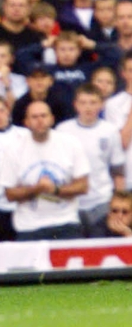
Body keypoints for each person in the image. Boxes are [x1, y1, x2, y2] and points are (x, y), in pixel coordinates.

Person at [0, 101, 89, 240]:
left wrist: (55, 190)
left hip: (66, 222)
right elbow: (9, 194)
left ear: (52, 119)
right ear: (26, 122)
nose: (40, 120)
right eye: (34, 117)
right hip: (29, 226)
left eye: (43, 116)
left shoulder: (71, 143)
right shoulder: (13, 149)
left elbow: (83, 186)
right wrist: (37, 189)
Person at [56, 83, 125, 237]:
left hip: (102, 201)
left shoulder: (110, 131)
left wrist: (119, 203)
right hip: (71, 203)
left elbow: (118, 169)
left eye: (93, 102)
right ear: (76, 105)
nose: (88, 107)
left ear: (101, 104)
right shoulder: (63, 130)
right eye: (83, 102)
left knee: (101, 247)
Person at [106, 52, 132, 191]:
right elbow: (121, 143)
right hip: (128, 177)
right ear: (123, 74)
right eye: (131, 70)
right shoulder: (113, 104)